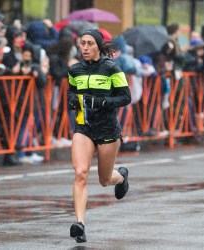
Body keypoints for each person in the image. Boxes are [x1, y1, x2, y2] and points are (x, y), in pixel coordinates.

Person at [67, 29, 131, 243]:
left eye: (89, 43)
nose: (84, 48)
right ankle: (80, 224)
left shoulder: (111, 68)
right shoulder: (74, 70)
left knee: (105, 180)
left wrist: (104, 102)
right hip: (83, 127)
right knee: (80, 173)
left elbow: (125, 97)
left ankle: (121, 176)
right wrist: (72, 101)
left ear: (98, 46)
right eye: (82, 43)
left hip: (107, 130)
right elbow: (71, 91)